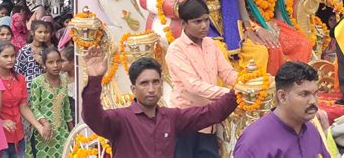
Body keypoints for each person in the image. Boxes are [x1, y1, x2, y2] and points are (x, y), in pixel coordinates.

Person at [82, 51, 238, 158]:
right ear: (133, 89)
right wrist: (95, 79)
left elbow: (209, 113)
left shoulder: (170, 117)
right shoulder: (121, 119)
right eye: (144, 83)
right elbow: (93, 116)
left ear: (161, 85)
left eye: (155, 82)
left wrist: (237, 93)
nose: (151, 89)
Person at [166, 0, 237, 158]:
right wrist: (231, 95)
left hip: (208, 121)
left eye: (206, 20)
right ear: (184, 24)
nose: (204, 26)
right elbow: (193, 86)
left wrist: (246, 84)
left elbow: (227, 73)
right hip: (185, 123)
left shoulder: (211, 44)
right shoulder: (176, 50)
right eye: (197, 22)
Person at [234, 61, 330, 157]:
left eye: (315, 94)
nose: (313, 101)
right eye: (304, 94)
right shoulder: (253, 142)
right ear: (282, 96)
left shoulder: (311, 130)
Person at [0, 41, 47, 158]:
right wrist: (1, 122)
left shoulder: (20, 79)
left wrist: (39, 127)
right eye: (5, 56)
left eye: (12, 56)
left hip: (18, 135)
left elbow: (23, 106)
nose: (10, 59)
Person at [29, 47, 73, 157]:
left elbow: (66, 109)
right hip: (44, 133)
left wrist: (73, 134)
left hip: (62, 132)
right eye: (50, 62)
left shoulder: (64, 80)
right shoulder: (37, 82)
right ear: (44, 64)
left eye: (58, 61)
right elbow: (34, 108)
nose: (55, 65)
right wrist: (45, 123)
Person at [15, 20, 51, 90]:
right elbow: (17, 72)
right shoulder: (24, 51)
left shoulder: (48, 52)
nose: (43, 35)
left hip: (45, 90)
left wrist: (43, 64)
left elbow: (54, 72)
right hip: (27, 90)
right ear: (32, 32)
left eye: (45, 32)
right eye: (40, 32)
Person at [60, 46, 75, 124]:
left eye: (62, 61)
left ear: (73, 62)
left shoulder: (81, 80)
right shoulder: (60, 78)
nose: (59, 64)